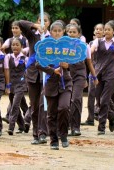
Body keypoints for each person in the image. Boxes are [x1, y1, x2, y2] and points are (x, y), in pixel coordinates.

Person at [36, 21, 72, 150]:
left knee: (64, 107)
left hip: (65, 82)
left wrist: (67, 66)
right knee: (51, 113)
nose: (57, 33)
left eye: (59, 31)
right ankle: (53, 140)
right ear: (50, 32)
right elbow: (38, 64)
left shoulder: (68, 46)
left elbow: (76, 62)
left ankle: (63, 135)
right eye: (54, 31)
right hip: (51, 83)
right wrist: (52, 70)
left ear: (63, 32)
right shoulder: (46, 46)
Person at [18, 13, 50, 145]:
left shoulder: (52, 37)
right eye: (40, 20)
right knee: (34, 105)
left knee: (44, 104)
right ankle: (36, 134)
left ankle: (43, 133)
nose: (43, 23)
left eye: (45, 21)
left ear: (49, 23)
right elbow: (20, 22)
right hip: (32, 74)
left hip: (47, 74)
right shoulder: (32, 36)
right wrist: (35, 26)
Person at [91, 21, 114, 135]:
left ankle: (101, 127)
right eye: (105, 30)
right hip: (98, 73)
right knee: (99, 100)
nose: (106, 32)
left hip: (111, 74)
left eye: (108, 30)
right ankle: (112, 116)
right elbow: (91, 50)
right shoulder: (98, 41)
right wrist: (89, 53)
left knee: (105, 100)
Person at [67, 24, 98, 136]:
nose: (71, 34)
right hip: (67, 75)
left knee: (75, 99)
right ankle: (68, 125)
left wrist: (94, 77)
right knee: (67, 101)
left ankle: (75, 127)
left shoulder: (84, 46)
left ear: (79, 34)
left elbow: (89, 63)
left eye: (74, 32)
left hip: (80, 75)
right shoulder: (63, 45)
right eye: (69, 32)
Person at [1, 21, 30, 126]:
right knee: (20, 101)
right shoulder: (10, 40)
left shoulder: (26, 40)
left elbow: (29, 49)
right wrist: (3, 50)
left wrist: (22, 51)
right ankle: (25, 120)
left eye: (16, 28)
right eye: (13, 28)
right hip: (13, 75)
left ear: (21, 29)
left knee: (16, 100)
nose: (14, 30)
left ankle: (11, 120)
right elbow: (3, 47)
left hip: (22, 74)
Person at [6, 37, 29, 135]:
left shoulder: (25, 58)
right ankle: (23, 125)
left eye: (17, 45)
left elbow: (28, 72)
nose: (15, 47)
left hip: (21, 84)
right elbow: (6, 70)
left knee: (15, 105)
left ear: (21, 46)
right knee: (22, 105)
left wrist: (27, 83)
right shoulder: (8, 57)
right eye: (13, 45)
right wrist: (7, 85)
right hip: (11, 84)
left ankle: (11, 127)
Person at [82, 23, 103, 126]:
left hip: (104, 73)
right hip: (93, 71)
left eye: (100, 29)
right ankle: (90, 118)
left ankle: (112, 115)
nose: (98, 31)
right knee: (91, 95)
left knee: (103, 96)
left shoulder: (106, 43)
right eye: (96, 29)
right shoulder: (90, 44)